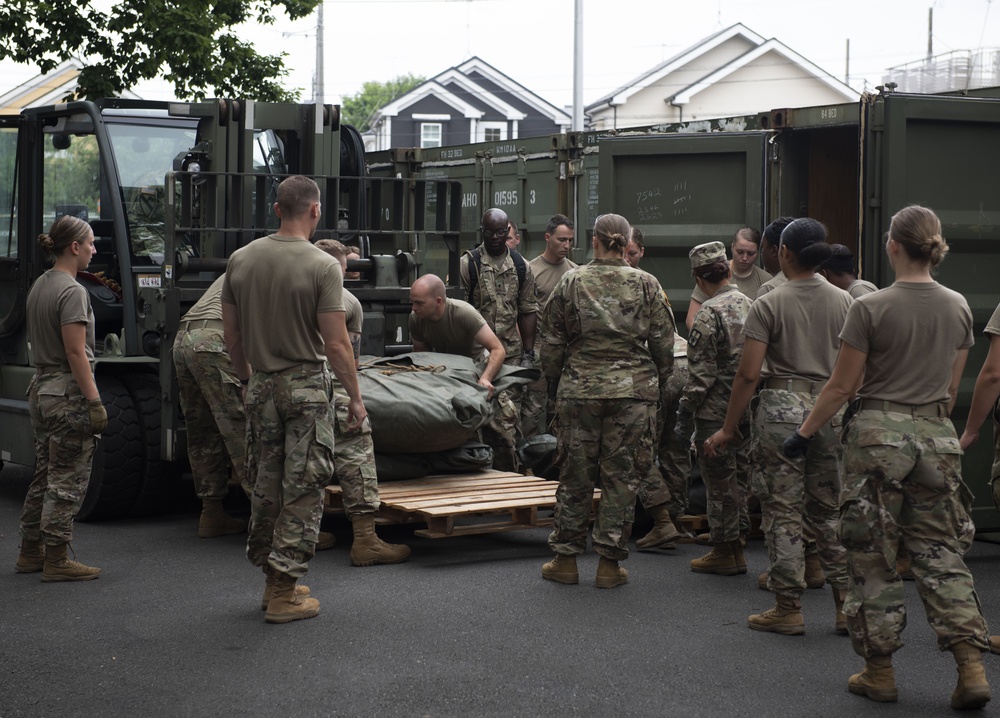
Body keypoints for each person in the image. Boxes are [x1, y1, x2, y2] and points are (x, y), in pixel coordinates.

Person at [786, 205, 991, 709]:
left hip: (880, 434)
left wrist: (804, 432)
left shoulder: (871, 308)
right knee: (940, 553)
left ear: (893, 246)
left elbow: (842, 385)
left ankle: (879, 671)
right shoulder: (958, 305)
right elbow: (949, 385)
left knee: (872, 554)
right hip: (936, 436)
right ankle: (971, 666)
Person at [223, 175, 366, 624]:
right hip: (305, 386)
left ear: (276, 208)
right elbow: (338, 344)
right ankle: (285, 591)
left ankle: (272, 579)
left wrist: (248, 379)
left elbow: (231, 334)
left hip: (262, 385)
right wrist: (356, 400)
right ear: (316, 211)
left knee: (266, 484)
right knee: (304, 487)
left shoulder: (240, 259)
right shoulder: (322, 266)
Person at [705, 218, 851, 636]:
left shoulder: (769, 302)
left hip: (781, 409)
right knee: (828, 510)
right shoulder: (846, 302)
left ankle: (788, 607)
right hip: (829, 409)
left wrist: (728, 428)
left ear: (784, 253)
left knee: (782, 511)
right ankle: (845, 607)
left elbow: (748, 376)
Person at [540, 213, 674, 588]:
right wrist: (657, 382)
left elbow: (550, 344)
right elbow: (664, 346)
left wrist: (556, 383)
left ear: (594, 241)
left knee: (575, 476)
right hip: (632, 394)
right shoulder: (647, 284)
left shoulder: (571, 281)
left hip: (579, 391)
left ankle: (565, 560)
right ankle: (609, 566)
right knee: (622, 479)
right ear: (626, 242)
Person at [16, 215, 107, 582]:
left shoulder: (41, 284)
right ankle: (56, 559)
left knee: (45, 474)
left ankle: (30, 551)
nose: (93, 250)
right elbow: (75, 352)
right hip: (66, 392)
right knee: (67, 477)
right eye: (90, 243)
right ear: (74, 247)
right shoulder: (72, 291)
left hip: (41, 389)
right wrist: (95, 401)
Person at [314, 239, 410, 567]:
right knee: (357, 453)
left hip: (297, 389)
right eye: (343, 269)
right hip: (334, 390)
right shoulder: (347, 300)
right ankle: (366, 540)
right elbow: (349, 359)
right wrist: (356, 399)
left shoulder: (288, 293)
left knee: (302, 463)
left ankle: (303, 535)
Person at [676, 241, 752, 576]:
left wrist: (683, 415)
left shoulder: (708, 314)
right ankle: (738, 544)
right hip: (747, 409)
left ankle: (724, 550)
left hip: (714, 414)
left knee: (719, 483)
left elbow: (700, 377)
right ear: (728, 268)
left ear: (698, 277)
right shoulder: (752, 305)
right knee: (742, 480)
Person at [623, 226, 692, 549]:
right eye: (623, 251)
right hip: (681, 365)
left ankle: (663, 521)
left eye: (632, 253)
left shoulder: (628, 284)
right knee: (673, 446)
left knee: (641, 447)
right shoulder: (652, 282)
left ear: (641, 252)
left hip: (661, 370)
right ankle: (675, 520)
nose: (626, 258)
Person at [460, 208, 540, 470]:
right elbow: (458, 310)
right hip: (476, 357)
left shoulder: (520, 266)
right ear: (481, 232)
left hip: (510, 356)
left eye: (499, 232)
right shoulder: (469, 264)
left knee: (509, 419)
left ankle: (509, 473)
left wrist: (528, 352)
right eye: (489, 232)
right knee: (476, 418)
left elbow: (527, 309)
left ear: (508, 232)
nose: (494, 237)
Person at [172, 274, 250, 539]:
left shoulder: (249, 258)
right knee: (243, 429)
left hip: (185, 338)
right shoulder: (292, 263)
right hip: (215, 340)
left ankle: (212, 513)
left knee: (203, 431)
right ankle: (277, 524)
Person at [409, 273, 507, 395]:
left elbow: (498, 349)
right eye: (412, 302)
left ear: (438, 301)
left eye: (419, 303)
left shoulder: (464, 313)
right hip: (445, 369)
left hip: (477, 366)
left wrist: (486, 379)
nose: (414, 308)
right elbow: (420, 351)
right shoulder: (416, 319)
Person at [524, 214, 577, 437]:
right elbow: (523, 313)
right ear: (548, 237)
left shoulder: (575, 273)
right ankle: (527, 462)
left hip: (567, 352)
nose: (566, 245)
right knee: (533, 409)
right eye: (561, 240)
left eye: (570, 241)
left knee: (561, 410)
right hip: (539, 350)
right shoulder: (531, 271)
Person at [686, 227, 770, 331]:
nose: (744, 258)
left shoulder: (767, 281)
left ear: (758, 252)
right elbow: (692, 319)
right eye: (740, 252)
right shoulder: (713, 274)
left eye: (750, 253)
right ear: (732, 248)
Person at [753, 217, 796, 300]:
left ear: (774, 250)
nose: (761, 254)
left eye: (762, 247)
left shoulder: (768, 289)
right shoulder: (822, 282)